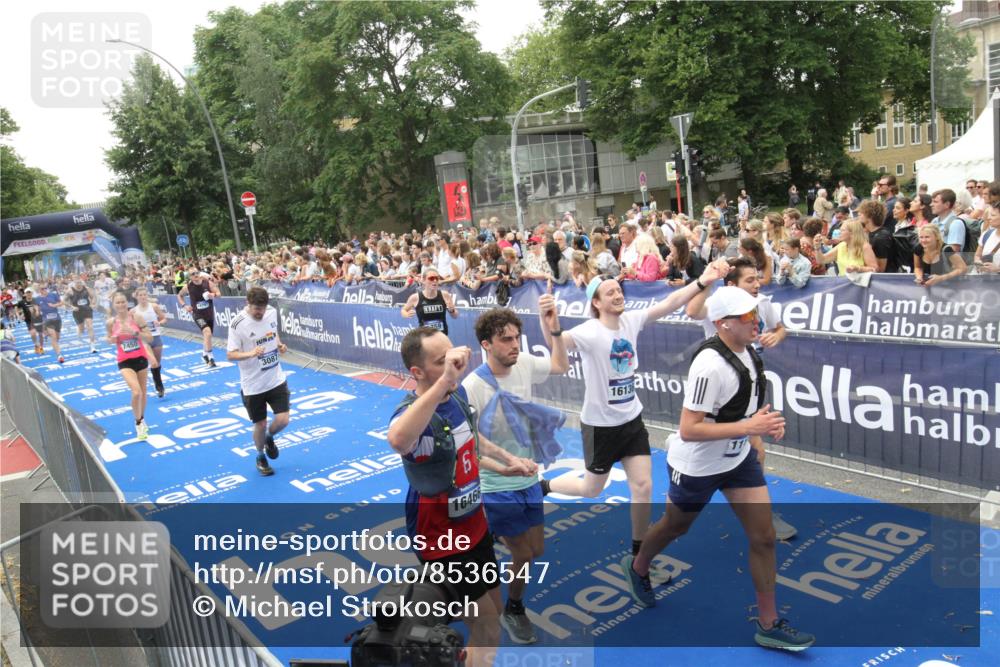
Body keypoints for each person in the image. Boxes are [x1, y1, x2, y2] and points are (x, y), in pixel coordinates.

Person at [622, 286, 815, 651]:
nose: (757, 321)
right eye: (748, 316)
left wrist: (761, 426)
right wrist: (749, 427)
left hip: (737, 459)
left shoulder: (747, 350)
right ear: (723, 323)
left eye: (756, 313)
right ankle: (638, 566)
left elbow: (744, 406)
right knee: (676, 526)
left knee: (764, 537)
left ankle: (768, 624)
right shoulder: (709, 365)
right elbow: (689, 429)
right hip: (698, 465)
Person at [545, 260, 731, 562]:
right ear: (596, 303)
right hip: (600, 427)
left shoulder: (631, 320)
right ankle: (544, 486)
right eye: (610, 293)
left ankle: (638, 556)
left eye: (619, 290)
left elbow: (670, 302)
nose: (618, 295)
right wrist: (551, 326)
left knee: (643, 486)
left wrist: (703, 281)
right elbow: (558, 344)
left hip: (631, 421)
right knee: (592, 489)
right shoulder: (590, 332)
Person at [387, 328, 536, 667]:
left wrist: (506, 463)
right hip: (443, 542)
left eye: (453, 354)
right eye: (442, 361)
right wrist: (445, 381)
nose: (453, 364)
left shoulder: (456, 397)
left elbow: (470, 439)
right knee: (487, 627)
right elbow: (398, 440)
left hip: (475, 527)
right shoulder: (413, 412)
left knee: (494, 611)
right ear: (417, 372)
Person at [461, 294, 569, 644]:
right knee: (522, 554)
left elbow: (560, 365)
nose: (514, 345)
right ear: (486, 344)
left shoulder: (523, 363)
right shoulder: (472, 386)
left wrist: (554, 329)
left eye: (516, 337)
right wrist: (505, 465)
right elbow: (469, 440)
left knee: (536, 550)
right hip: (495, 483)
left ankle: (493, 531)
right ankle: (515, 608)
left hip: (527, 475)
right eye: (505, 339)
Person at [684, 257, 795, 539]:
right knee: (683, 510)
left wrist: (776, 336)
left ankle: (760, 513)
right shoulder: (718, 304)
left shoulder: (763, 303)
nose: (757, 284)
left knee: (756, 450)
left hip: (748, 384)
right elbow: (692, 310)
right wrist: (708, 280)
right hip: (717, 391)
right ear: (732, 285)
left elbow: (780, 327)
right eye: (750, 280)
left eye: (758, 278)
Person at [226, 287, 290, 477]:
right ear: (248, 303)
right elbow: (230, 355)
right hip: (253, 385)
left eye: (262, 308)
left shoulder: (271, 312)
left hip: (275, 378)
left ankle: (269, 437)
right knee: (260, 425)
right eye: (256, 309)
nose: (260, 312)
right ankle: (260, 456)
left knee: (283, 420)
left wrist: (279, 344)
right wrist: (251, 353)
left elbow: (273, 332)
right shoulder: (237, 324)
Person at [107, 291, 153, 440]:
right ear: (114, 305)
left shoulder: (136, 317)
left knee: (143, 392)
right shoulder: (111, 322)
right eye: (118, 303)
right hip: (124, 361)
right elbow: (108, 339)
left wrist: (135, 333)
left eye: (123, 302)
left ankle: (142, 418)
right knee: (136, 392)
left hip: (141, 358)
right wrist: (113, 338)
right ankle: (138, 423)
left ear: (127, 303)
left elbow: (149, 338)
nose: (121, 305)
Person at [177, 272, 221, 367]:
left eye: (196, 272)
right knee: (207, 332)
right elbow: (179, 296)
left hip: (209, 313)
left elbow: (219, 294)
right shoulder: (188, 287)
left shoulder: (208, 283)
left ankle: (204, 354)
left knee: (208, 335)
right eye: (193, 274)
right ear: (190, 277)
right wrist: (184, 306)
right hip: (197, 314)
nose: (195, 275)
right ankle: (210, 357)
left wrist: (213, 295)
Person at [132, 287, 168, 398]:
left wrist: (159, 323)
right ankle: (159, 387)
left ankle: (157, 379)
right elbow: (130, 325)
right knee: (153, 363)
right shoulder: (133, 311)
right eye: (140, 295)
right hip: (144, 339)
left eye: (144, 295)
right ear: (137, 297)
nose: (143, 297)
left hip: (156, 337)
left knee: (157, 364)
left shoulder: (154, 306)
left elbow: (164, 318)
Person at [400, 267, 458, 335]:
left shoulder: (445, 295)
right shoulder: (415, 297)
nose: (435, 280)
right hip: (424, 336)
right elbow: (403, 310)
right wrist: (406, 314)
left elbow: (455, 316)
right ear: (423, 280)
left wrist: (451, 310)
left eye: (437, 278)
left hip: (441, 335)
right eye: (431, 278)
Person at [65, 278, 97, 353]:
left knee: (90, 326)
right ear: (74, 283)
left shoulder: (87, 289)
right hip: (77, 311)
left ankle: (92, 346)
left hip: (87, 309)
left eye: (80, 283)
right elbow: (64, 300)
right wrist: (72, 307)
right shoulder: (70, 291)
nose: (79, 284)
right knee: (81, 329)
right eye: (77, 283)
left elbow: (93, 297)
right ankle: (79, 330)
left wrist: (92, 303)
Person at [36, 285, 66, 364]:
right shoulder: (37, 299)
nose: (44, 290)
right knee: (53, 336)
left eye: (45, 288)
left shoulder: (53, 295)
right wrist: (37, 313)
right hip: (47, 320)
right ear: (39, 290)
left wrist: (54, 305)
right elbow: (37, 310)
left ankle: (53, 343)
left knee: (57, 337)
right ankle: (59, 355)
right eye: (42, 289)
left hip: (57, 319)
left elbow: (62, 303)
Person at [17, 288, 44, 354]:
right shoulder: (21, 302)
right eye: (27, 293)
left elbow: (40, 308)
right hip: (29, 320)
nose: (29, 294)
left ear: (32, 293)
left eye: (30, 292)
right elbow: (17, 309)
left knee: (40, 334)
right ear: (25, 294)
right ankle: (37, 345)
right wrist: (19, 316)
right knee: (33, 334)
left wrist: (37, 311)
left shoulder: (36, 300)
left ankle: (41, 348)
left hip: (38, 319)